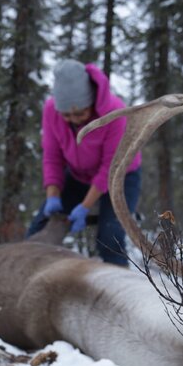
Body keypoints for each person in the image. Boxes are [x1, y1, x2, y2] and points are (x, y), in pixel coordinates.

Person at [26, 59, 142, 266]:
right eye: (66, 115)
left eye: (80, 113)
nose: (73, 119)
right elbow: (52, 156)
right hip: (79, 174)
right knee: (40, 227)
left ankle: (118, 283)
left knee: (109, 235)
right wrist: (53, 196)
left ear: (90, 102)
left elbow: (110, 168)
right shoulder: (51, 110)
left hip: (120, 176)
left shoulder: (115, 113)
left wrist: (84, 207)